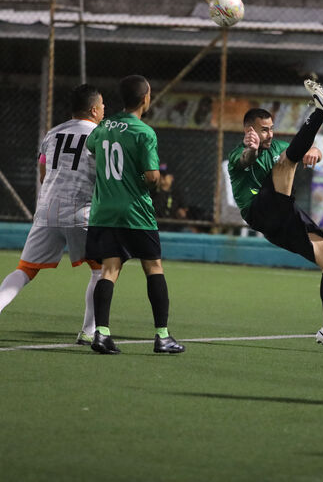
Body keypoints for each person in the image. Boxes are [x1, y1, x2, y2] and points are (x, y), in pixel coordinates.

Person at [228, 79, 323, 355]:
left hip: (284, 214)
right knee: (287, 161)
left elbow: (304, 149)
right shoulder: (238, 153)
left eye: (272, 128)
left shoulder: (278, 147)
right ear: (249, 130)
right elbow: (246, 160)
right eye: (264, 130)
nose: (270, 134)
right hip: (259, 211)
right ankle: (320, 111)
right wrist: (251, 148)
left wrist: (316, 151)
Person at [85, 74, 185, 355]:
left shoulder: (104, 125)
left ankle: (102, 334)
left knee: (109, 270)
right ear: (146, 98)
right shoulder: (144, 132)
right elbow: (153, 177)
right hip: (135, 212)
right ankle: (162, 336)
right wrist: (145, 181)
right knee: (153, 267)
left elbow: (91, 148)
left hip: (104, 211)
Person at [0, 84, 105, 344]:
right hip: (82, 211)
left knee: (25, 269)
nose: (104, 110)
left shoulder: (53, 133)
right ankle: (89, 331)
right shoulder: (101, 135)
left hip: (47, 209)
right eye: (103, 106)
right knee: (102, 270)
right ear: (94, 109)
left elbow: (43, 173)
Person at [151, 163, 188, 230]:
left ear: (171, 178)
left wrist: (180, 213)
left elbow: (183, 212)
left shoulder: (176, 193)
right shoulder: (153, 192)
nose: (162, 178)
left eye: (164, 175)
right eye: (160, 175)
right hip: (156, 225)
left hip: (173, 226)